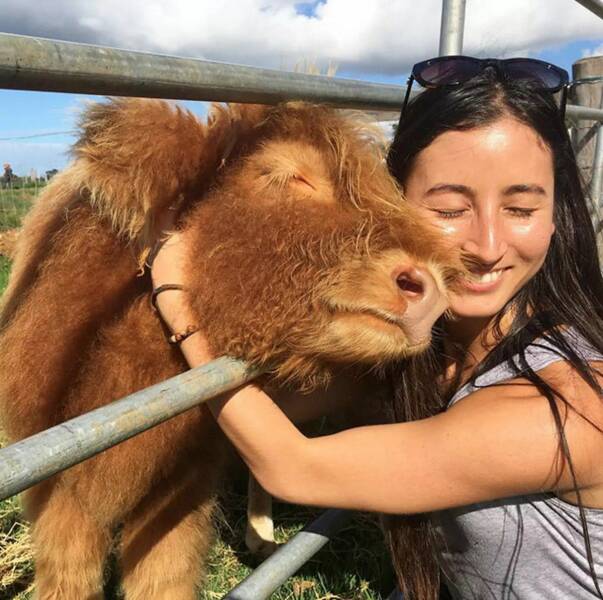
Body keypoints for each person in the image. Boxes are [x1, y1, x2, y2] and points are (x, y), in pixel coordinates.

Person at [149, 58, 603, 599]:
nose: (487, 246)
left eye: (521, 208)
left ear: (559, 214)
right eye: (451, 209)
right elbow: (285, 406)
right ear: (391, 203)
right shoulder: (434, 344)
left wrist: (175, 294)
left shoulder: (569, 406)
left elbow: (294, 468)